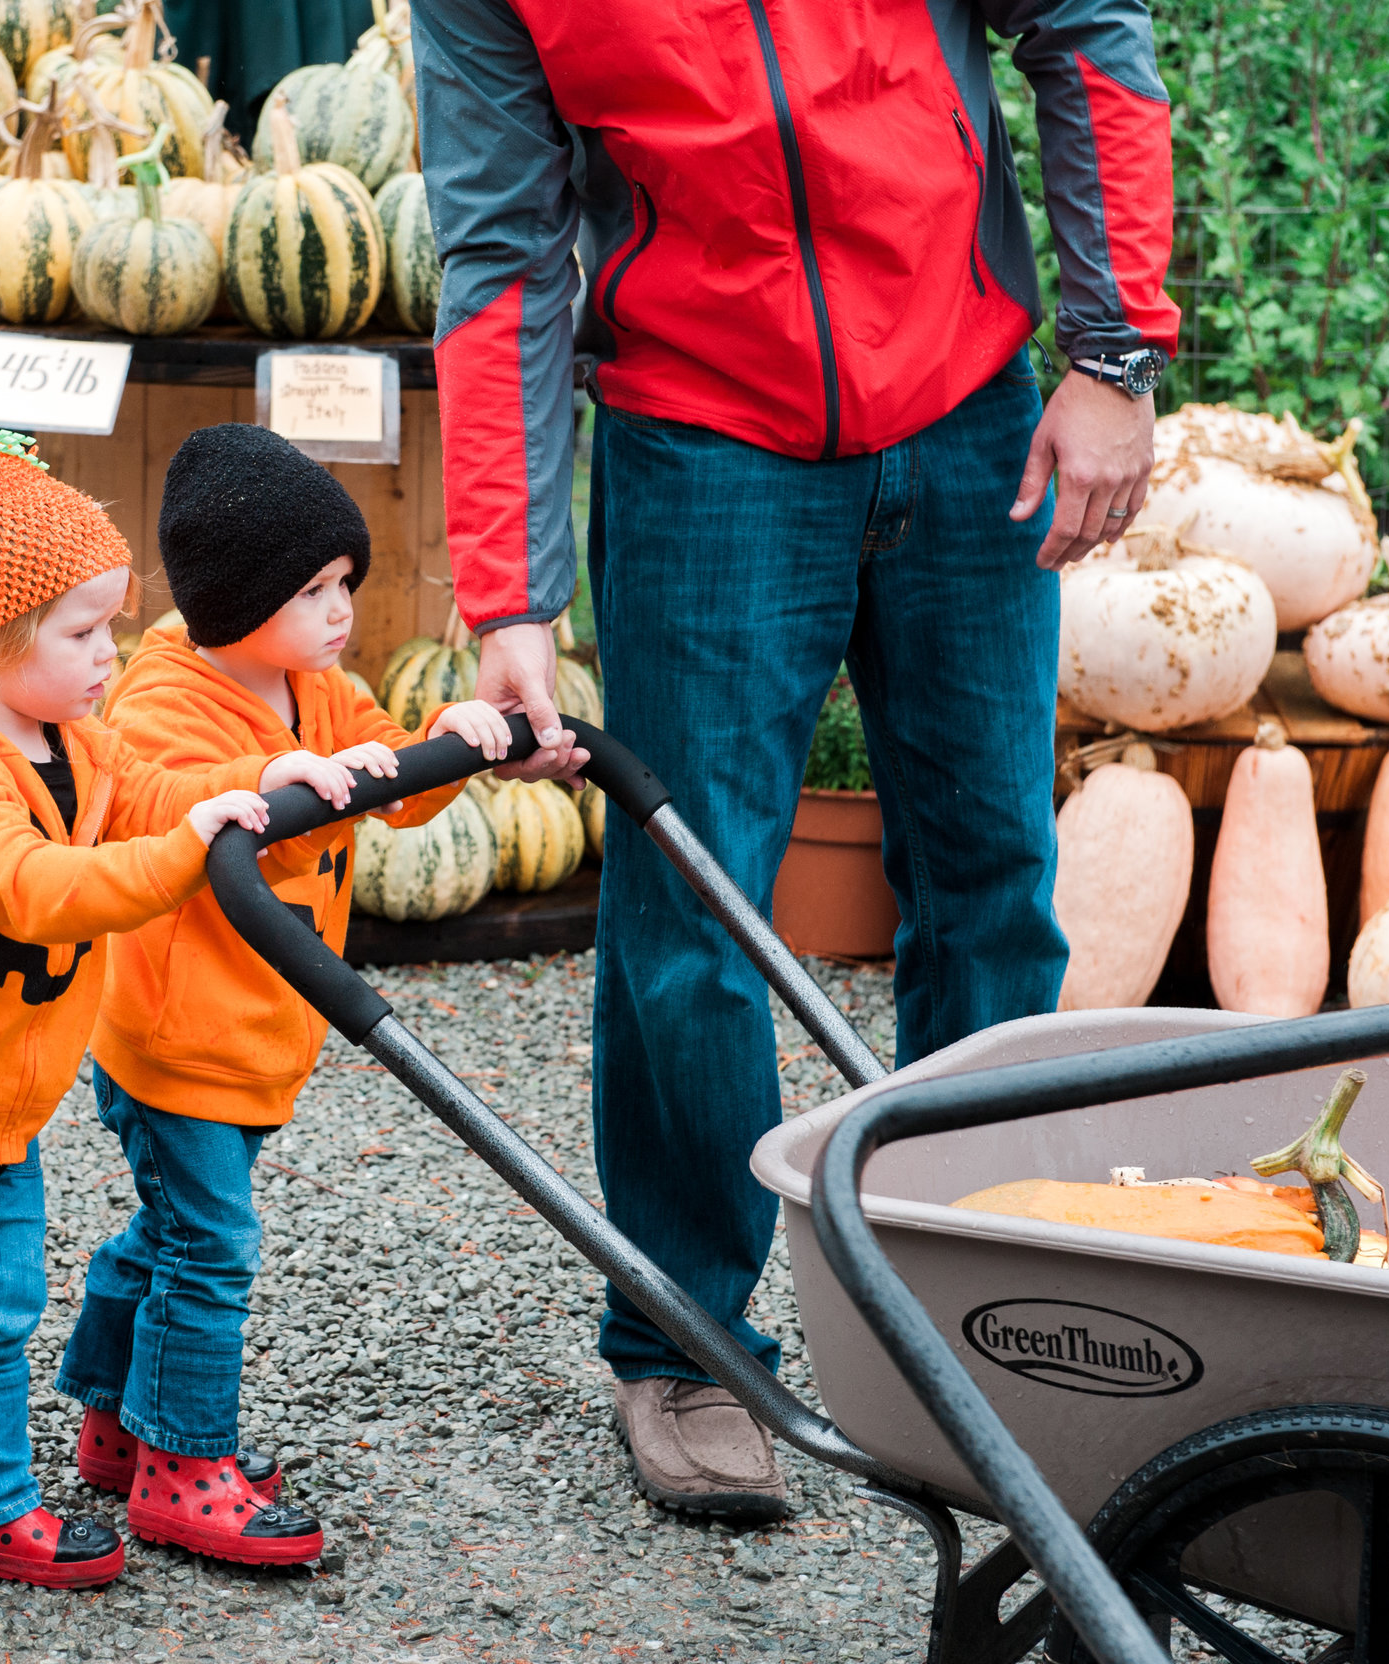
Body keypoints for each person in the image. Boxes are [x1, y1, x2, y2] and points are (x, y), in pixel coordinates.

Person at [413, 0, 1178, 1520]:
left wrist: (1113, 352)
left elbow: (1088, 32)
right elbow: (502, 247)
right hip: (703, 443)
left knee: (993, 887)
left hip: (969, 407)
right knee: (689, 912)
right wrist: (510, 590)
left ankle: (983, 1315)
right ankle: (687, 1344)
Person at [0, 422, 364, 1602]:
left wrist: (257, 782)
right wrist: (185, 853)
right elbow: (35, 888)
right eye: (84, 631)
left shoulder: (71, 737)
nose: (112, 653)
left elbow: (150, 789)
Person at [55, 424, 514, 1565]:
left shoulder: (319, 684)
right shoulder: (166, 694)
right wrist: (259, 779)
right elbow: (154, 795)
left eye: (343, 583)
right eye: (311, 588)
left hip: (259, 1028)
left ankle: (113, 1417)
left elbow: (388, 779)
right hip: (176, 1040)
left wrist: (448, 741)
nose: (339, 608)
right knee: (211, 1245)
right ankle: (179, 1463)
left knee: (170, 1228)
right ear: (235, 597)